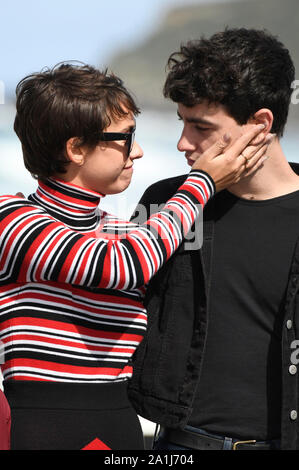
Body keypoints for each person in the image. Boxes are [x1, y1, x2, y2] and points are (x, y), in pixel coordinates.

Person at [0, 63, 267, 450]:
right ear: (75, 148)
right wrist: (202, 183)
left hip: (121, 421)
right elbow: (119, 267)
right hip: (45, 424)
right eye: (126, 138)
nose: (137, 151)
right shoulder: (13, 217)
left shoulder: (126, 231)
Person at [128, 28, 299, 451]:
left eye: (201, 126)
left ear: (261, 124)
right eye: (182, 122)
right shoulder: (165, 200)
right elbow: (112, 288)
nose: (183, 142)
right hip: (179, 445)